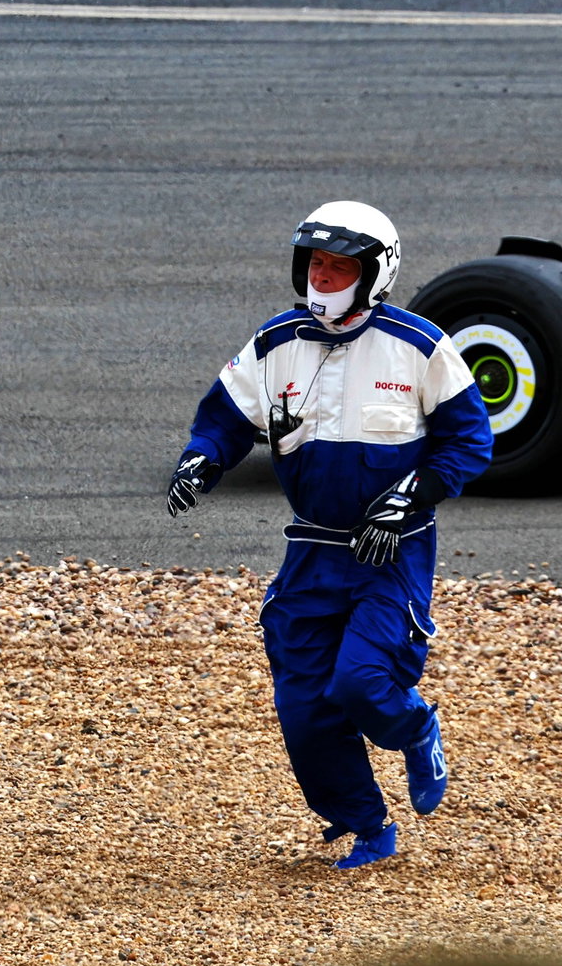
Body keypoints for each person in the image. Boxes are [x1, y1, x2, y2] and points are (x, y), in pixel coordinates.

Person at [167, 203, 492, 869]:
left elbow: (469, 441)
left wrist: (407, 499)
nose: (323, 276)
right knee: (304, 709)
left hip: (389, 555)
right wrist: (201, 458)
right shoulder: (274, 342)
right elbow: (225, 419)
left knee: (361, 683)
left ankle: (416, 728)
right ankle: (368, 826)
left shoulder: (422, 344)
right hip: (310, 552)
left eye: (339, 265)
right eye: (315, 263)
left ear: (375, 273)